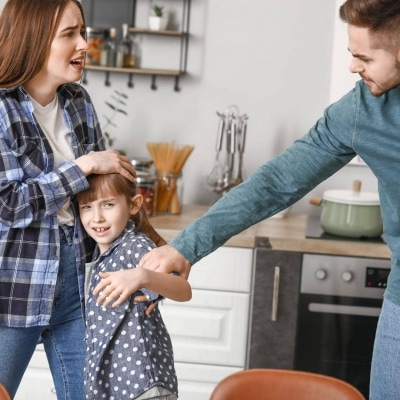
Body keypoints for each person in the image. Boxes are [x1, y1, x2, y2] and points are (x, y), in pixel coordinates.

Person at [139, 1, 400, 399]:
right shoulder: (362, 111)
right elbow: (277, 182)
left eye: (364, 57)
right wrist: (186, 247)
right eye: (351, 54)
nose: (353, 67)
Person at [0, 1, 159, 398]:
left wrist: (153, 257)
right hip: (13, 287)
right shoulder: (1, 108)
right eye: (69, 34)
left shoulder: (77, 101)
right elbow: (10, 203)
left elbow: (105, 197)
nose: (84, 44)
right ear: (33, 39)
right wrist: (84, 166)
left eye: (82, 32)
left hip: (77, 281)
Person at [76, 173, 191, 400]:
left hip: (143, 385)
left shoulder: (135, 246)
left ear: (134, 205)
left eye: (108, 205)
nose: (97, 217)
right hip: (115, 386)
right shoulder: (100, 253)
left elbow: (183, 290)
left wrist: (142, 276)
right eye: (86, 207)